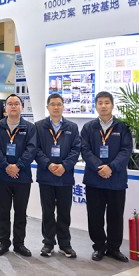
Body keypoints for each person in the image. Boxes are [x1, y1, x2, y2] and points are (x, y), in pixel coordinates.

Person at [81, 91, 133, 262]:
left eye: (107, 102)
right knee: (95, 216)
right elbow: (85, 150)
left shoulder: (122, 127)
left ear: (112, 105)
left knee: (115, 216)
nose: (103, 106)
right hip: (94, 179)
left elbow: (126, 150)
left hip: (116, 179)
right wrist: (99, 167)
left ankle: (114, 248)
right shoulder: (88, 127)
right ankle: (99, 247)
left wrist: (111, 167)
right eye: (100, 103)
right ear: (95, 106)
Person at [35, 93, 81, 258]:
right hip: (46, 176)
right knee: (47, 212)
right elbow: (35, 149)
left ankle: (65, 244)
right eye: (53, 104)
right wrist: (48, 164)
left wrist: (64, 166)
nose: (56, 107)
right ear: (47, 107)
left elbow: (76, 149)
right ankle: (48, 243)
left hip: (64, 176)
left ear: (63, 106)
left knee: (64, 212)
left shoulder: (72, 127)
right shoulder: (39, 126)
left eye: (59, 104)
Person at [0, 94, 37, 257]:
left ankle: (19, 244)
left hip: (22, 176)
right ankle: (3, 243)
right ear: (5, 107)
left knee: (20, 212)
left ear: (22, 107)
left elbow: (31, 149)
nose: (13, 106)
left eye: (17, 103)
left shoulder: (29, 128)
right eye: (10, 103)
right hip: (2, 176)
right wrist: (6, 166)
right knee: (3, 211)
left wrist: (18, 166)